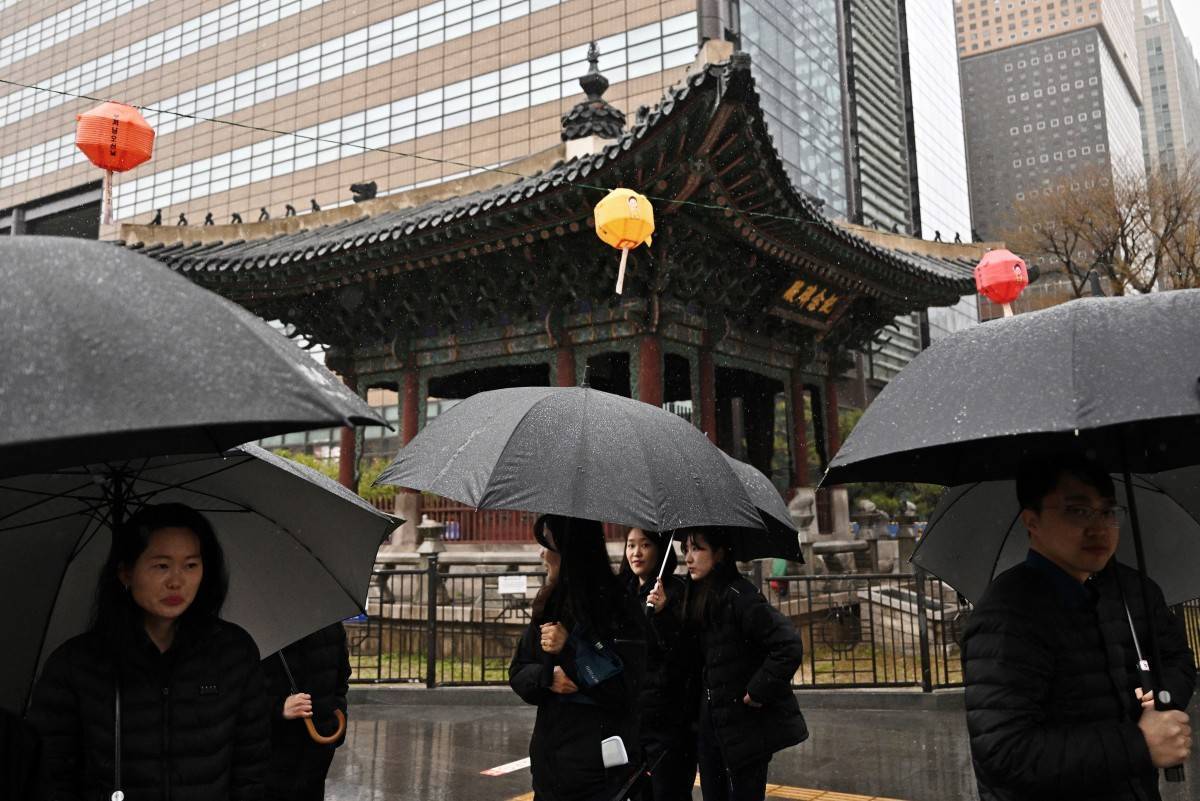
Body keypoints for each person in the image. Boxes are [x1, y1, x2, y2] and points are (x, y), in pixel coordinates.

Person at [962, 452, 1196, 801]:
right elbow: (1005, 751)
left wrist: (1162, 694)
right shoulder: (1007, 616)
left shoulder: (1133, 590)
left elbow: (1177, 658)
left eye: (1108, 511)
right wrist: (1138, 743)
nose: (1099, 527)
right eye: (1077, 511)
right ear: (1032, 521)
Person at [27, 503, 269, 800]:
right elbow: (51, 777)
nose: (176, 581)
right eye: (161, 565)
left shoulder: (233, 653)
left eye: (191, 565)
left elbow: (252, 772)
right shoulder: (77, 664)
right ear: (126, 573)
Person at [509, 515, 647, 801]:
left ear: (570, 550)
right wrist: (547, 678)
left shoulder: (618, 606)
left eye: (548, 544)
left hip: (598, 775)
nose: (542, 554)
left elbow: (625, 690)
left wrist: (571, 648)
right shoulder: (549, 603)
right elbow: (518, 671)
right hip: (549, 769)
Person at [681, 529, 806, 801]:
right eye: (686, 549)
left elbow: (788, 644)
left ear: (720, 554)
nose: (688, 558)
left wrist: (758, 690)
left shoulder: (741, 596)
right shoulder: (697, 596)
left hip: (744, 726)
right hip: (711, 725)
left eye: (697, 549)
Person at [619, 528, 697, 801]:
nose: (636, 553)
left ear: (661, 550)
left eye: (645, 545)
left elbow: (683, 654)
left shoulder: (677, 591)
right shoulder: (622, 594)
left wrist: (664, 615)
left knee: (668, 792)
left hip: (667, 720)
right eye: (630, 545)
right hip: (632, 717)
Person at [262, 622, 351, 801]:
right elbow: (240, 690)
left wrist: (334, 723)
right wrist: (279, 707)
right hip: (274, 749)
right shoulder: (261, 631)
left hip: (317, 746)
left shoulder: (330, 625)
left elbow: (341, 681)